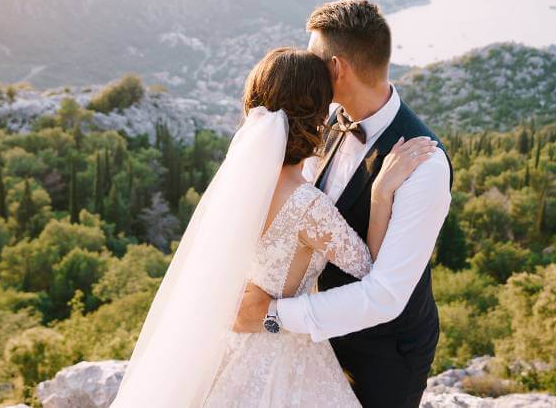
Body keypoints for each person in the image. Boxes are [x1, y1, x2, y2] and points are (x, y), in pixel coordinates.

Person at [113, 46, 437, 407]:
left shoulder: (240, 188)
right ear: (317, 117)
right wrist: (380, 195)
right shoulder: (307, 205)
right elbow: (370, 272)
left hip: (229, 343)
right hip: (283, 352)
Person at [234, 0, 453, 408]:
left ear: (336, 68)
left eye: (314, 59)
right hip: (308, 343)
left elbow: (385, 294)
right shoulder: (322, 124)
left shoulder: (423, 165)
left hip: (382, 355)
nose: (307, 67)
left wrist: (272, 315)